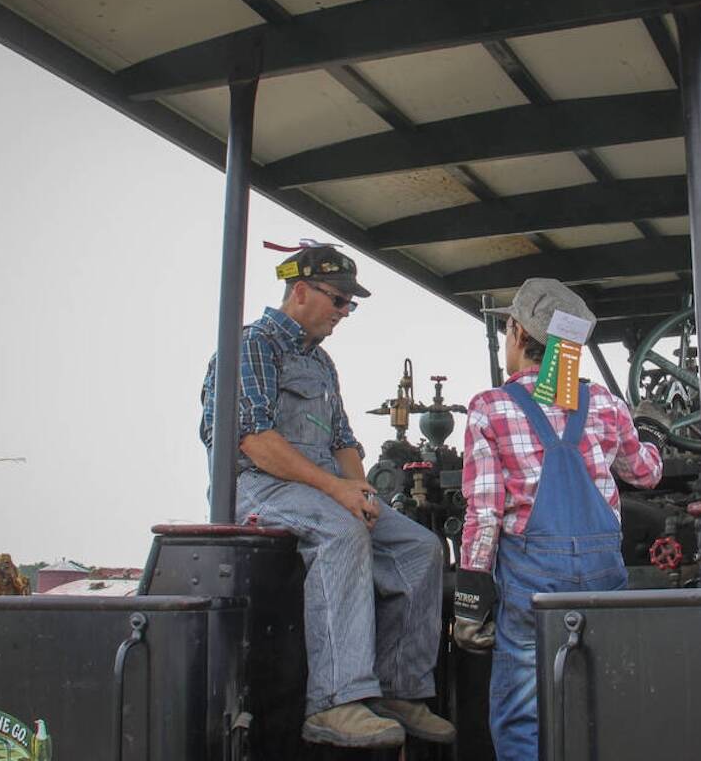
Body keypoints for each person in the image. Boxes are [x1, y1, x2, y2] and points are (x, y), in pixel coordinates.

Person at [200, 245, 455, 749]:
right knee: (341, 534)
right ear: (300, 291)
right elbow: (252, 440)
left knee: (420, 548)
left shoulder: (321, 364)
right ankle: (335, 702)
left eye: (349, 305)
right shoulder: (251, 347)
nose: (344, 314)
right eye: (339, 301)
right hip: (259, 486)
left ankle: (399, 689)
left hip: (317, 488)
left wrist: (358, 488)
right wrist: (338, 493)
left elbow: (343, 441)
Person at [453, 278, 664, 760]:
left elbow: (484, 515)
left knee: (523, 713)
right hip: (602, 573)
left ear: (516, 331)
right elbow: (646, 474)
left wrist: (469, 602)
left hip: (532, 579)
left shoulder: (491, 407)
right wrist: (653, 432)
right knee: (602, 696)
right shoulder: (608, 406)